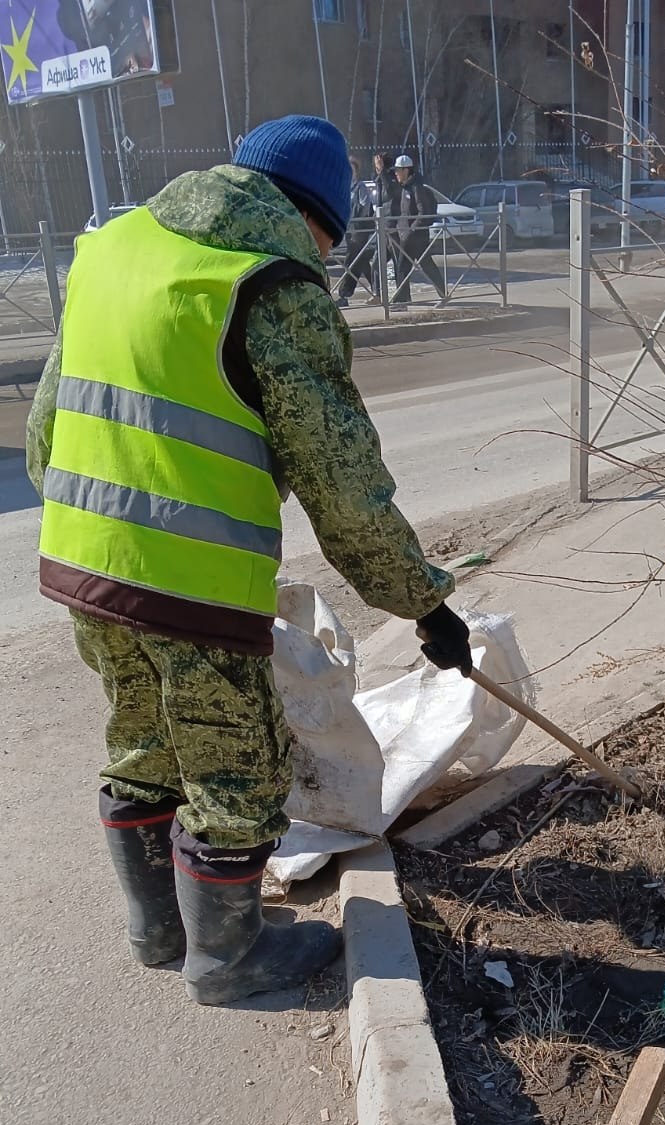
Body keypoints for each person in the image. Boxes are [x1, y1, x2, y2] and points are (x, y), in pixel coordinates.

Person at [26, 115, 471, 1007]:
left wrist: (102, 521)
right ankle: (229, 960)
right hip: (190, 582)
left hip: (82, 559)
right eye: (329, 244)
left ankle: (158, 930)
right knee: (235, 768)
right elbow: (342, 481)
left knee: (142, 738)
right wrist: (423, 604)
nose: (325, 262)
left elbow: (45, 430)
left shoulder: (115, 248)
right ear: (314, 218)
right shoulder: (271, 285)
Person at [390, 154, 447, 305]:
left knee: (406, 267)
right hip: (409, 236)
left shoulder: (416, 187)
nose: (396, 173)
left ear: (406, 170)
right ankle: (404, 299)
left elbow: (423, 211)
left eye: (398, 170)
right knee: (418, 266)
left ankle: (402, 301)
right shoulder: (405, 187)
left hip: (415, 237)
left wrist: (411, 230)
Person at [336, 157, 377, 306]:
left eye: (352, 170)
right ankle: (378, 291)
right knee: (362, 262)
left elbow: (365, 207)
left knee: (350, 261)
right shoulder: (346, 188)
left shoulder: (360, 187)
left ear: (356, 172)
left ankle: (343, 295)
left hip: (359, 230)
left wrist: (354, 218)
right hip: (349, 230)